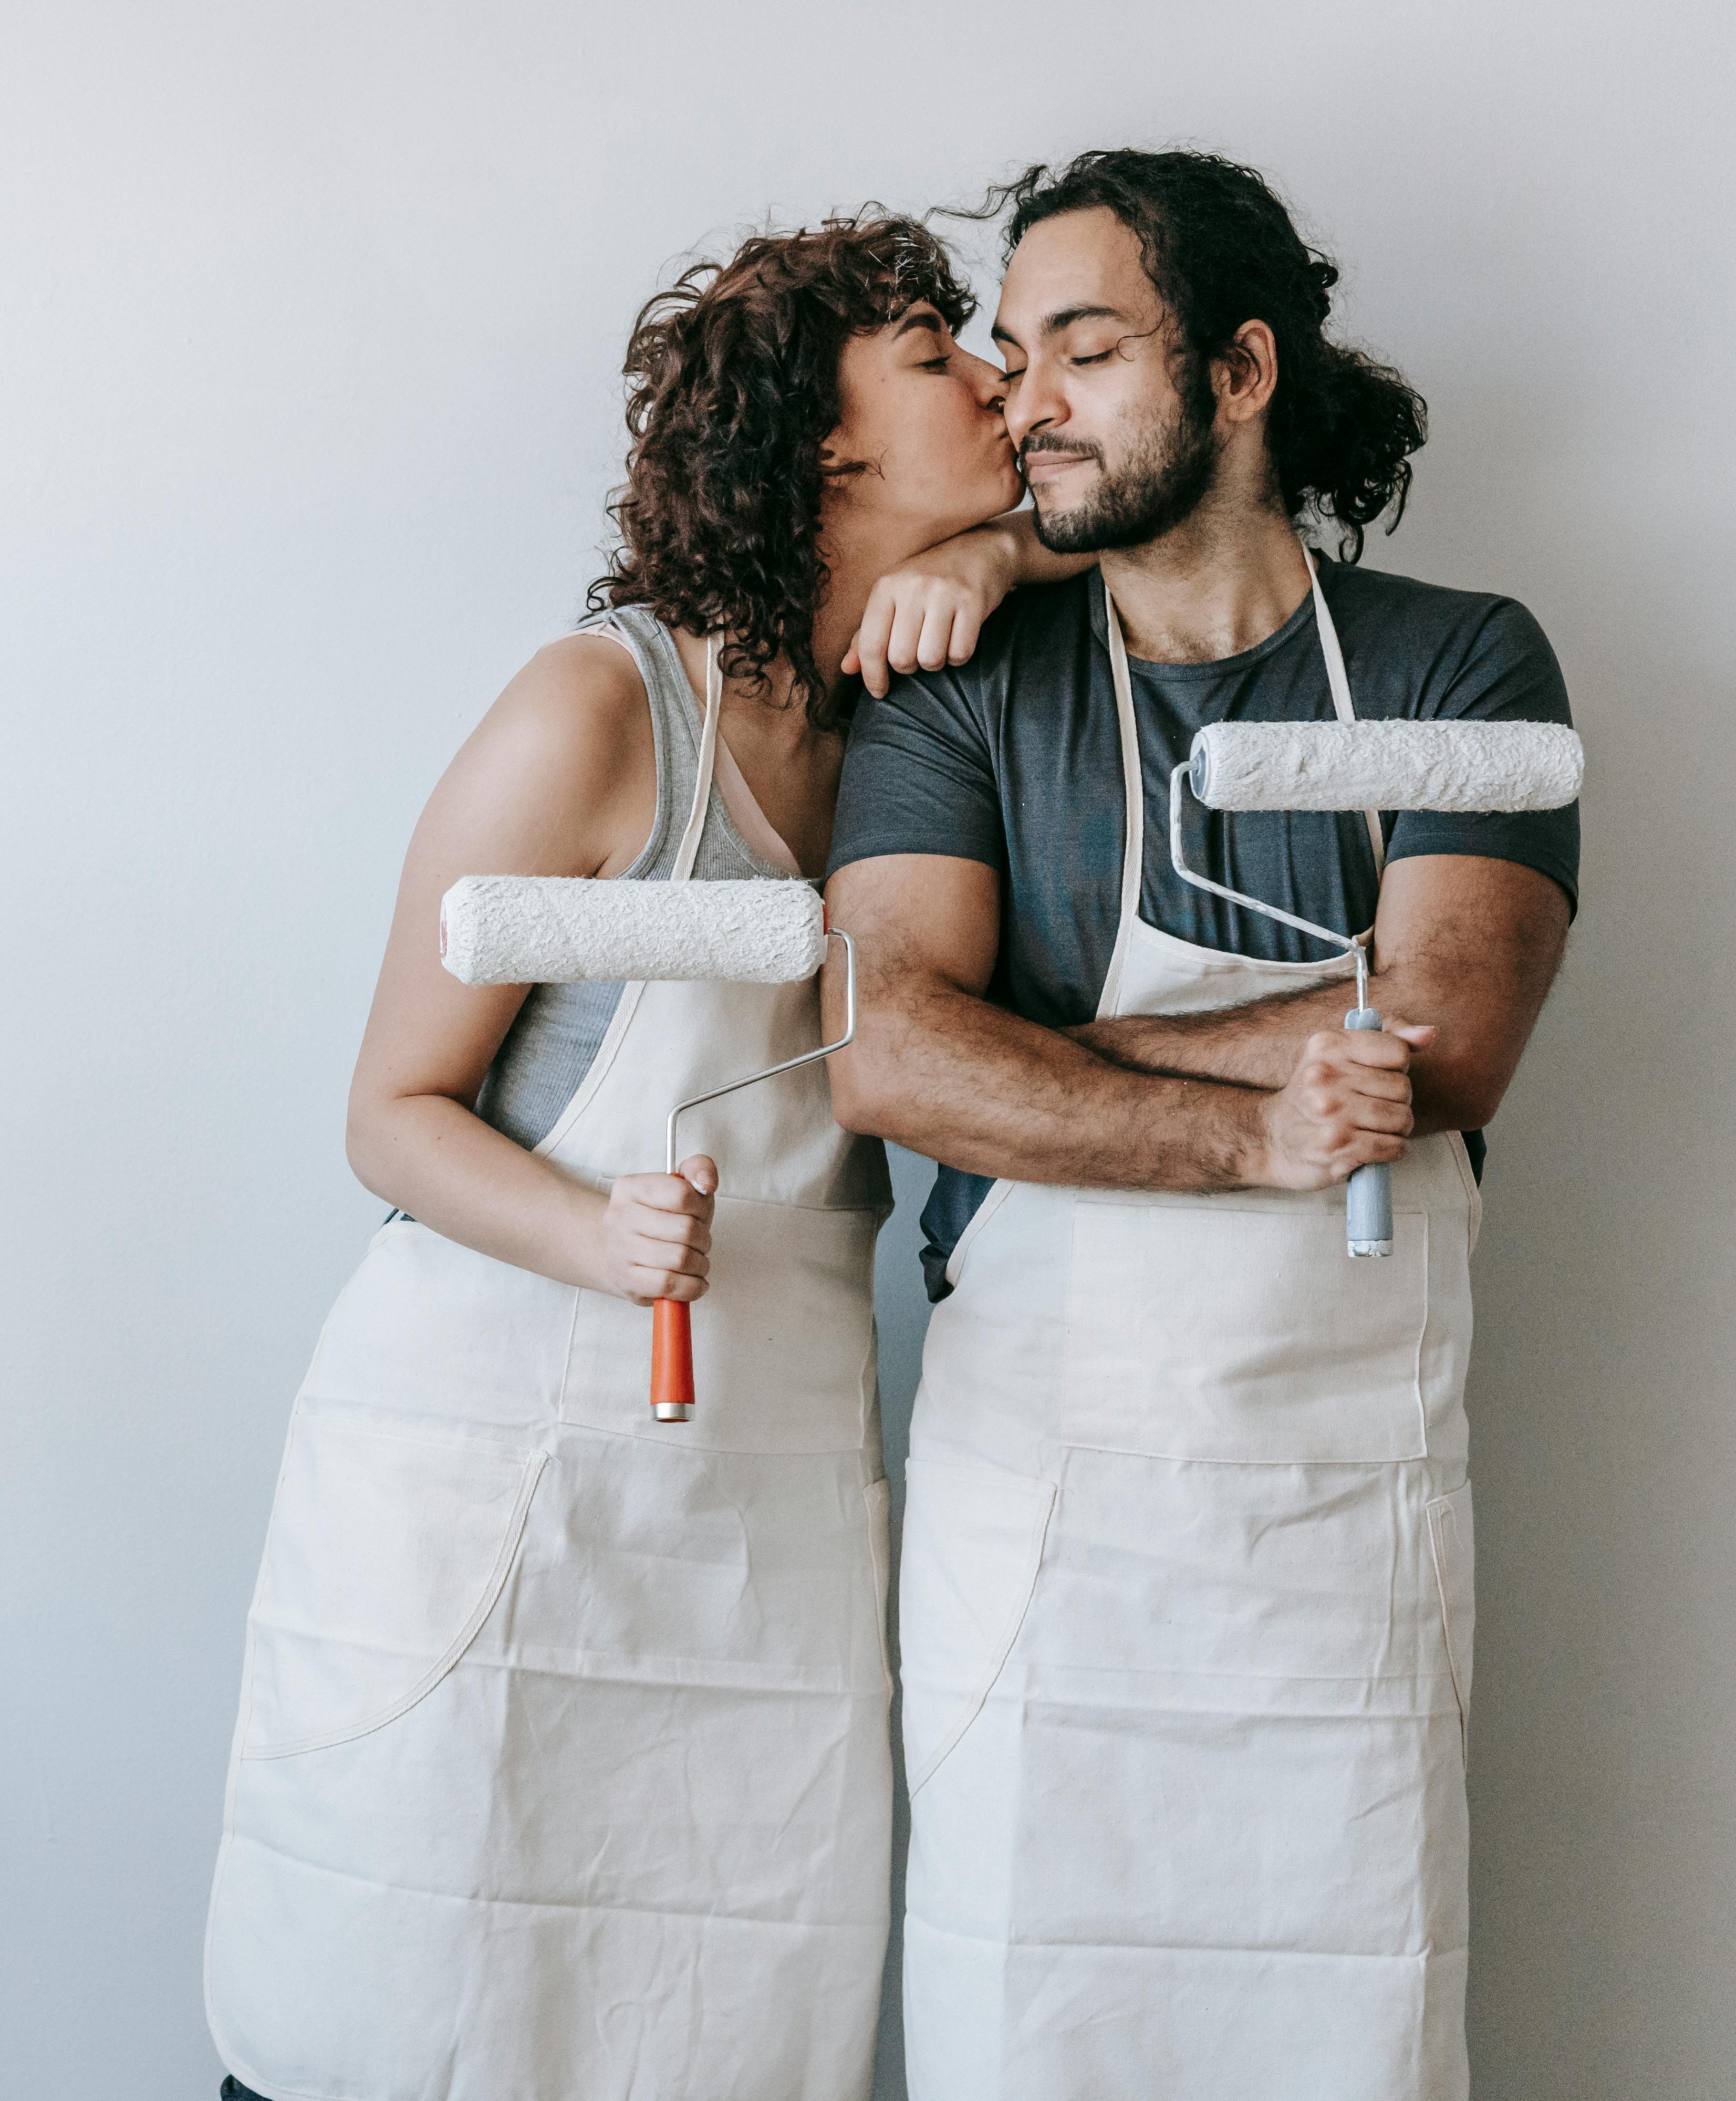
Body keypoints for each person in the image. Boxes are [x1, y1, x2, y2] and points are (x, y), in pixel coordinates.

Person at [203, 215, 1078, 2101]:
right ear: (825, 446)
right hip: (491, 1484)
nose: (1005, 382)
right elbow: (388, 1111)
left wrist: (1004, 545)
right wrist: (597, 1235)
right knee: (409, 2003)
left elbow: (1132, 530)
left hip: (757, 1509)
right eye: (944, 355)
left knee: (719, 2027)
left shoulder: (926, 725)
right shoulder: (601, 712)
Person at [823, 151, 1576, 2100]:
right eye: (1010, 358)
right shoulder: (966, 685)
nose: (1026, 402)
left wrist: (1060, 1065)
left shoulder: (1458, 662)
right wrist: (1269, 1113)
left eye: (1085, 348)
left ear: (1239, 375)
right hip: (1039, 1518)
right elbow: (893, 1053)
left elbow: (1450, 1040)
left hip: (1340, 1536)